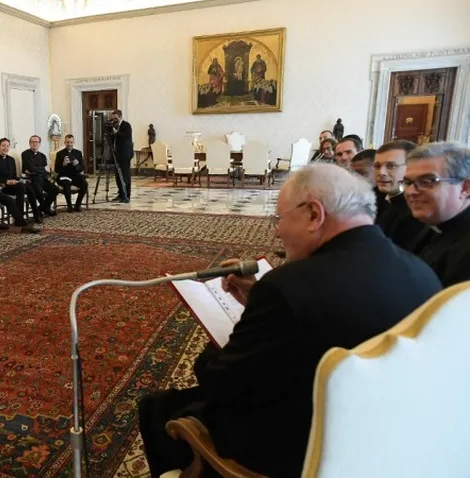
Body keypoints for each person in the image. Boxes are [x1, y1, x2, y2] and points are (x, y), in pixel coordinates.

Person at [138, 164, 441, 478]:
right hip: (384, 436)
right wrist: (259, 302)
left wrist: (215, 348)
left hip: (309, 445)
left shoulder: (288, 285)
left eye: (279, 218)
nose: (277, 231)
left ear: (314, 214)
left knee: (158, 408)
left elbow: (219, 381)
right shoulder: (422, 272)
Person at [405, 142, 470, 287]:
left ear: (465, 188)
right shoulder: (434, 224)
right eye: (408, 182)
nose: (410, 192)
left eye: (427, 182)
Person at [374, 140, 427, 252]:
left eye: (391, 166)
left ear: (412, 168)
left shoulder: (415, 211)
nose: (381, 172)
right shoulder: (384, 199)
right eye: (377, 166)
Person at [0, 138, 43, 224]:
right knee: (21, 187)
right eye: (3, 146)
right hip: (3, 187)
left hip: (14, 185)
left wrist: (21, 180)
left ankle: (36, 215)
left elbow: (14, 176)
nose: (5, 148)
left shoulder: (11, 160)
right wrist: (6, 181)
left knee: (29, 188)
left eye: (7, 146)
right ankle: (19, 217)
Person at [21, 135, 58, 217]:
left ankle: (42, 208)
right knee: (38, 190)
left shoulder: (42, 156)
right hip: (32, 180)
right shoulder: (25, 154)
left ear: (39, 144)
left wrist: (38, 170)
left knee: (55, 189)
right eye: (32, 142)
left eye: (36, 142)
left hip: (43, 179)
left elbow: (46, 170)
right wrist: (41, 169)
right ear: (29, 143)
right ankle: (44, 209)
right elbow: (30, 168)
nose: (34, 144)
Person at [54, 134, 89, 212]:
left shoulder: (78, 153)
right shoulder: (59, 154)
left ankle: (77, 205)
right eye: (67, 142)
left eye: (71, 142)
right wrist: (63, 164)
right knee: (67, 184)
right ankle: (69, 206)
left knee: (84, 184)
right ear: (64, 142)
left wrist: (77, 164)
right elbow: (56, 170)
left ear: (74, 142)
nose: (69, 144)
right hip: (64, 176)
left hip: (75, 176)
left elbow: (82, 168)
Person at [111, 109, 133, 203]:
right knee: (118, 176)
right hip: (117, 154)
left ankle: (126, 195)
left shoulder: (126, 125)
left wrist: (116, 133)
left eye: (115, 118)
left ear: (120, 117)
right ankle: (120, 194)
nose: (114, 120)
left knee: (125, 175)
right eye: (113, 118)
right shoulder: (115, 126)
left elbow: (127, 136)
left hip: (125, 154)